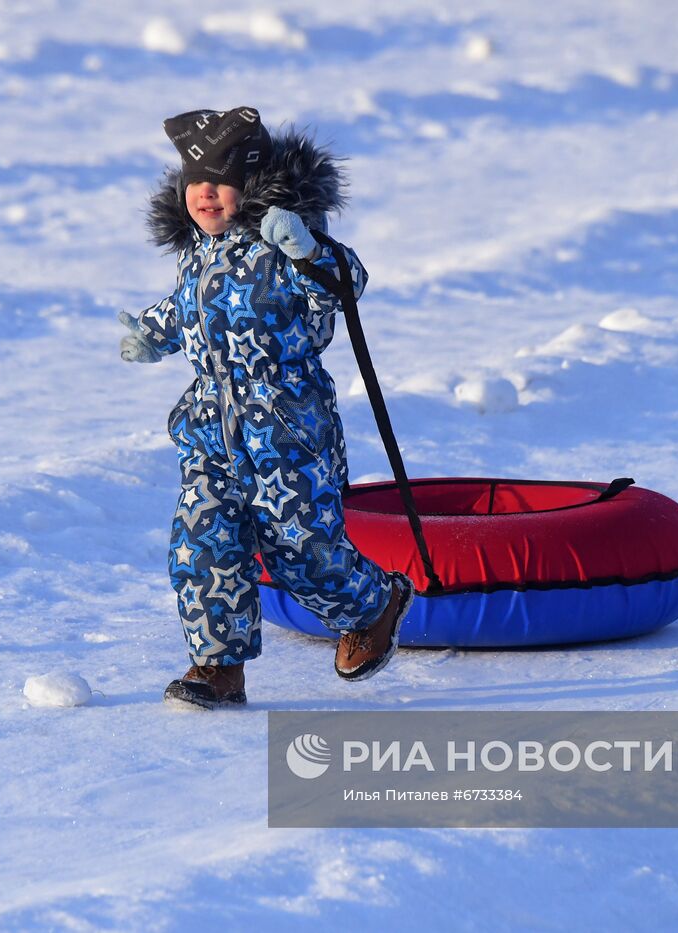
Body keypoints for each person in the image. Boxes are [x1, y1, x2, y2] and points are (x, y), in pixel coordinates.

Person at [119, 106, 413, 710]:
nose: (204, 193)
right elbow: (188, 306)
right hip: (210, 427)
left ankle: (373, 604)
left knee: (298, 544)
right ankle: (218, 667)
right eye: (194, 180)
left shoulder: (287, 241)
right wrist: (154, 332)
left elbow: (344, 284)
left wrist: (307, 251)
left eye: (220, 181)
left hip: (285, 424)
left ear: (251, 185)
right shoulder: (196, 251)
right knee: (202, 542)